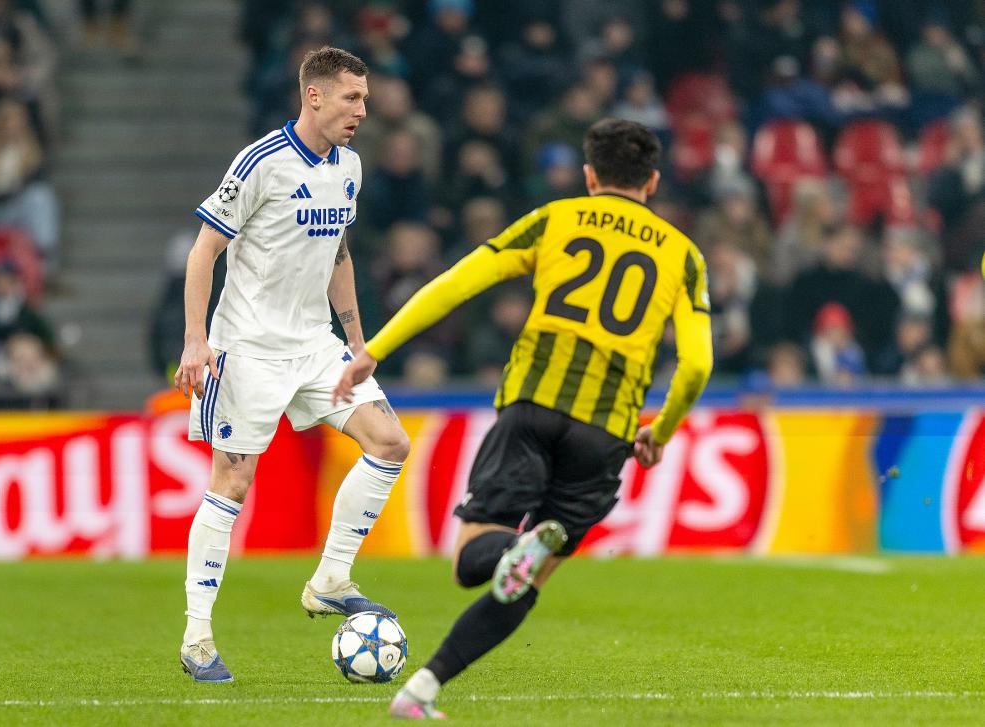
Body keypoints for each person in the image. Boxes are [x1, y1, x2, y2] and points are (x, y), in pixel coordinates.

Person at [335, 119, 714, 719]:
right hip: (606, 433)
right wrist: (660, 433)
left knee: (473, 561)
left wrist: (374, 349)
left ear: (589, 176)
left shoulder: (556, 219)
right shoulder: (682, 254)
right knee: (528, 577)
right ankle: (423, 689)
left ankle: (511, 555)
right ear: (653, 182)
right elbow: (697, 365)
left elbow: (457, 283)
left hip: (533, 406)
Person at [173, 47, 410, 684]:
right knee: (232, 483)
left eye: (365, 99)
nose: (363, 110)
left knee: (390, 442)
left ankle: (331, 579)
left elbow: (338, 255)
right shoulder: (261, 162)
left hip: (314, 345)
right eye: (352, 98)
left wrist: (357, 343)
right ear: (314, 96)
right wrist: (195, 340)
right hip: (247, 348)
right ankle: (198, 638)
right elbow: (203, 252)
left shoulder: (349, 167)